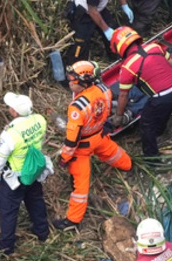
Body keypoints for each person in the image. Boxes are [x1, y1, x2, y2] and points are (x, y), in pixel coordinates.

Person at [56, 61, 132, 230]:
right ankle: (129, 166)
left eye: (72, 80)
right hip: (99, 135)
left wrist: (64, 158)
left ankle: (72, 221)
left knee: (80, 186)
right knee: (116, 154)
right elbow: (107, 110)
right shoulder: (104, 89)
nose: (69, 82)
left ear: (84, 82)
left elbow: (72, 140)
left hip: (82, 147)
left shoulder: (77, 107)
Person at [0, 93, 52, 254]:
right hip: (33, 171)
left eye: (10, 107)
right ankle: (42, 232)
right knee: (36, 200)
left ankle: (6, 246)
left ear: (14, 112)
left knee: (8, 210)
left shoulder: (10, 134)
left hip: (15, 177)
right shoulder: (39, 120)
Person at [110, 26, 172, 157]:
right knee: (165, 110)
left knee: (146, 124)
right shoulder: (154, 46)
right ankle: (160, 130)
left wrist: (119, 115)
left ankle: (151, 157)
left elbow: (123, 95)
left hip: (162, 97)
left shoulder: (127, 67)